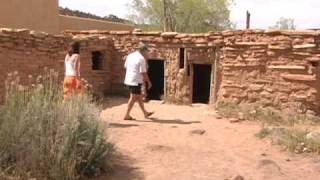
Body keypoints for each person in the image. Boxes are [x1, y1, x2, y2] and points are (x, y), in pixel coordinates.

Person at [123, 42, 154, 120]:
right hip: (135, 81)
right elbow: (143, 72)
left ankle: (145, 113)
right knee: (133, 97)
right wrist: (149, 82)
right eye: (147, 51)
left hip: (128, 79)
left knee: (139, 97)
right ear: (143, 50)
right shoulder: (141, 59)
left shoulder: (130, 56)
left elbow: (125, 66)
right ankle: (126, 115)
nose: (147, 53)